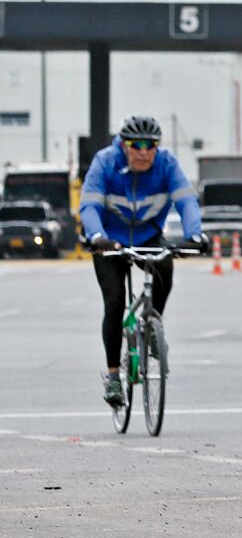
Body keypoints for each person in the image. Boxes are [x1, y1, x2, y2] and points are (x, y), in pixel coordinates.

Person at [79, 115, 207, 407]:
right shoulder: (104, 163)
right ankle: (113, 377)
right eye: (136, 145)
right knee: (114, 302)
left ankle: (151, 326)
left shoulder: (167, 164)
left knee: (165, 269)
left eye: (151, 145)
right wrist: (96, 235)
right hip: (110, 240)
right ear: (124, 146)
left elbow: (187, 201)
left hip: (148, 236)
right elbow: (89, 205)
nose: (144, 152)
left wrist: (196, 235)